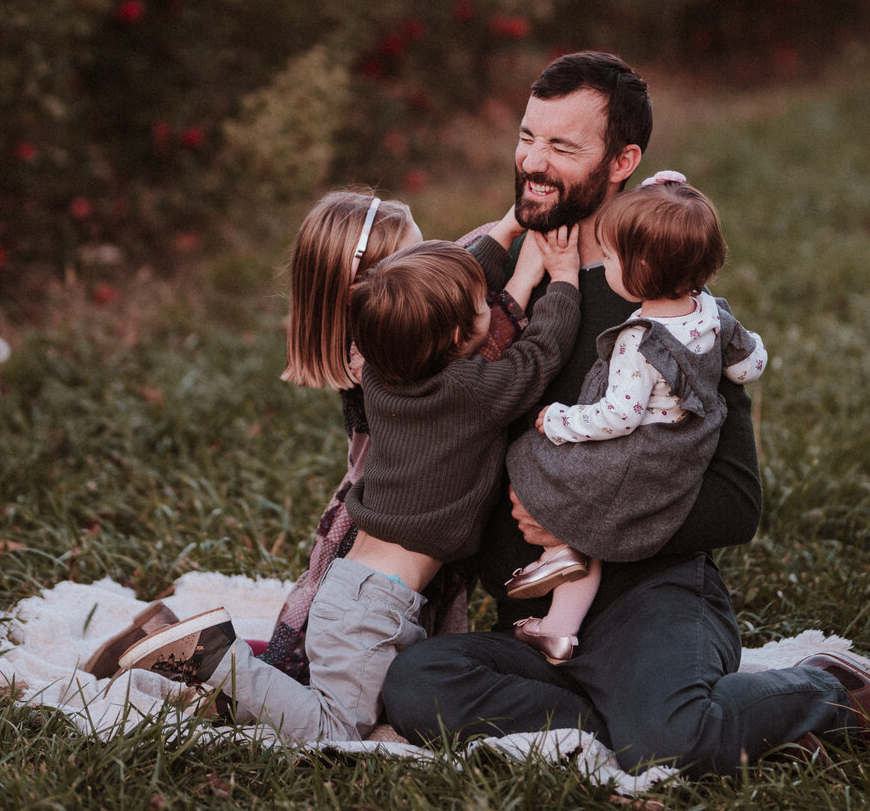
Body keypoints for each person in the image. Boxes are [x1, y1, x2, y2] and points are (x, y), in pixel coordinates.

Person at [382, 50, 870, 774]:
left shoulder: (670, 306)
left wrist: (583, 519)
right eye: (527, 136)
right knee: (415, 684)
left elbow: (735, 504)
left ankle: (823, 689)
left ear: (624, 160)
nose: (533, 162)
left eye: (562, 146)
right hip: (539, 621)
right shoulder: (477, 287)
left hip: (653, 595)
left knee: (666, 744)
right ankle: (638, 716)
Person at [114, 197, 583, 744]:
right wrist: (566, 282)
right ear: (457, 337)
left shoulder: (381, 376)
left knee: (342, 709)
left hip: (362, 593)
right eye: (484, 306)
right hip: (373, 605)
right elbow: (541, 354)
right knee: (341, 728)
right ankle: (211, 659)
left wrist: (505, 232)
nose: (494, 307)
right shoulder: (471, 394)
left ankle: (177, 664)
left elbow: (451, 292)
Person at [505, 175, 766, 665]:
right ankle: (560, 623)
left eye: (613, 258)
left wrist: (560, 419)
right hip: (684, 447)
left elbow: (619, 416)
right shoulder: (712, 313)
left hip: (636, 454)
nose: (606, 266)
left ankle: (560, 555)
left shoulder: (638, 341)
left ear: (641, 269)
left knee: (533, 459)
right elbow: (748, 364)